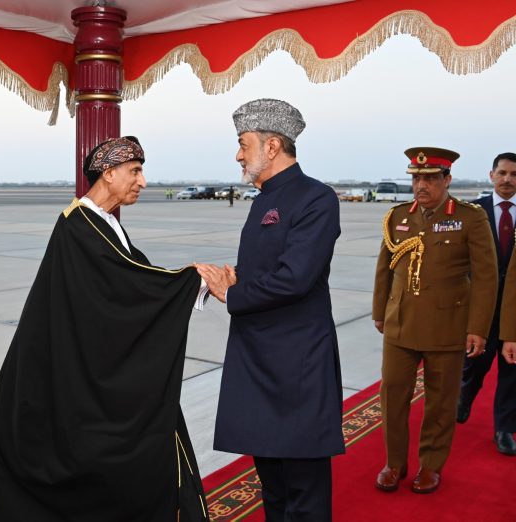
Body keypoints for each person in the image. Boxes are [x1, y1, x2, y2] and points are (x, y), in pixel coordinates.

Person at [0, 136, 210, 521]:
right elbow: (127, 291)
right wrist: (194, 280)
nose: (143, 181)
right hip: (64, 388)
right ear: (109, 172)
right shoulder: (80, 226)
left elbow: (132, 283)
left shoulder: (103, 223)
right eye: (135, 171)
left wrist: (188, 283)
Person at [197, 99, 344, 521]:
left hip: (296, 362)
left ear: (273, 145)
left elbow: (296, 276)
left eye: (243, 144)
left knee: (304, 484)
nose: (239, 155)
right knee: (272, 480)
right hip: (258, 357)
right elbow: (267, 267)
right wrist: (230, 279)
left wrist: (234, 294)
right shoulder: (263, 198)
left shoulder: (316, 198)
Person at [372, 147, 497, 494]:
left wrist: (477, 328)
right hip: (399, 326)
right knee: (392, 396)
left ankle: (431, 465)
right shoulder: (398, 216)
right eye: (416, 178)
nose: (421, 185)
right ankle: (394, 463)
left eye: (429, 178)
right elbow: (386, 268)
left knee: (441, 401)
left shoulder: (469, 218)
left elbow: (486, 278)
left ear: (447, 180)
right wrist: (380, 311)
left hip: (448, 326)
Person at [457, 152, 516, 455]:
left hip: (514, 308)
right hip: (482, 303)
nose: (508, 179)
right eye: (503, 173)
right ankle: (464, 398)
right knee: (476, 363)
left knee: (512, 369)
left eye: (514, 174)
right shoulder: (472, 211)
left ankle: (504, 429)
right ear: (491, 175)